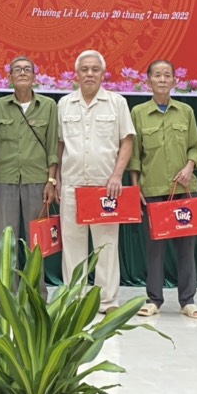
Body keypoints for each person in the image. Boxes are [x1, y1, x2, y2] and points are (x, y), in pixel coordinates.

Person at [56, 50, 135, 313]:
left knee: (106, 245)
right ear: (76, 74)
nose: (89, 74)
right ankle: (74, 299)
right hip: (72, 185)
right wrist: (57, 178)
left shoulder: (117, 103)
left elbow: (127, 141)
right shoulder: (64, 104)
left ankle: (107, 301)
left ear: (103, 74)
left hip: (105, 186)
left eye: (95, 69)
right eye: (84, 69)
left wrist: (117, 175)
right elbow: (59, 144)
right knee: (72, 244)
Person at [128, 60, 197, 319]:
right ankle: (154, 299)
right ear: (148, 81)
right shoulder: (138, 112)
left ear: (174, 81)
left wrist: (190, 166)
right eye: (157, 75)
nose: (162, 79)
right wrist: (136, 187)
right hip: (152, 189)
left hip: (184, 189)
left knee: (186, 248)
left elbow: (195, 147)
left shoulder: (185, 111)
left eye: (167, 75)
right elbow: (134, 156)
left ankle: (188, 300)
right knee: (155, 248)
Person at [0, 56, 59, 263]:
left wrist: (51, 181)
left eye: (27, 69)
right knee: (5, 239)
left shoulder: (48, 106)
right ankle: (7, 284)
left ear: (35, 77)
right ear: (9, 77)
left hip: (37, 180)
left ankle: (35, 284)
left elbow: (53, 148)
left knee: (37, 241)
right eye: (17, 69)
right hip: (6, 179)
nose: (22, 73)